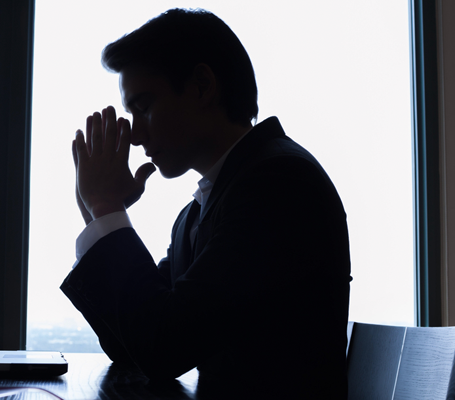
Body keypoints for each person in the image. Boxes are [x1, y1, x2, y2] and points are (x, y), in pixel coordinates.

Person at [61, 8, 351, 398]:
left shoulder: (278, 184)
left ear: (201, 86)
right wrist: (98, 211)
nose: (134, 135)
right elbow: (132, 343)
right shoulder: (199, 210)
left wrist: (106, 208)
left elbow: (164, 347)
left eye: (144, 107)